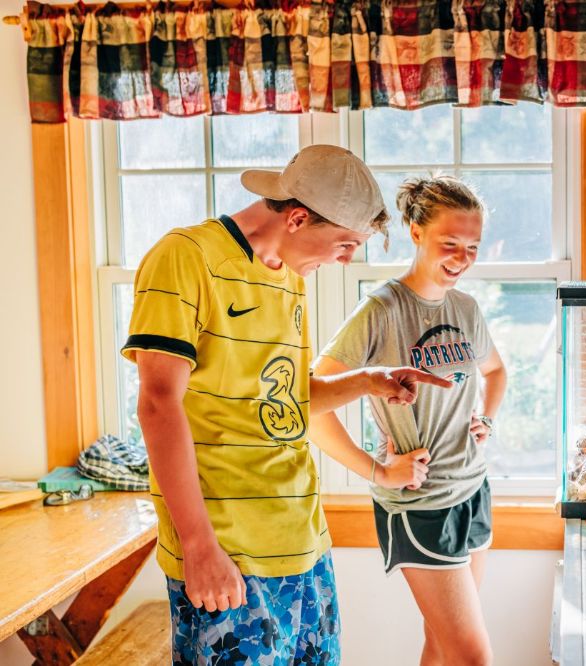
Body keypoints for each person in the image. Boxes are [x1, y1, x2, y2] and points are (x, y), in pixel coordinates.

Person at [122, 145, 448, 665]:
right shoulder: (185, 258)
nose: (345, 260)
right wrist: (199, 547)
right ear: (297, 218)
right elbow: (158, 405)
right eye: (344, 245)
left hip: (303, 544)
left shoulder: (289, 276)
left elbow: (284, 401)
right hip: (227, 552)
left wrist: (369, 381)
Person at [311, 175, 508, 666]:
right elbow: (308, 404)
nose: (461, 259)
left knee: (442, 645)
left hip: (473, 490)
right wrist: (378, 471)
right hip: (421, 506)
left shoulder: (465, 307)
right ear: (416, 234)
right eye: (449, 244)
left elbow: (497, 370)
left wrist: (487, 417)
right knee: (473, 657)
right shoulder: (382, 309)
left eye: (472, 247)